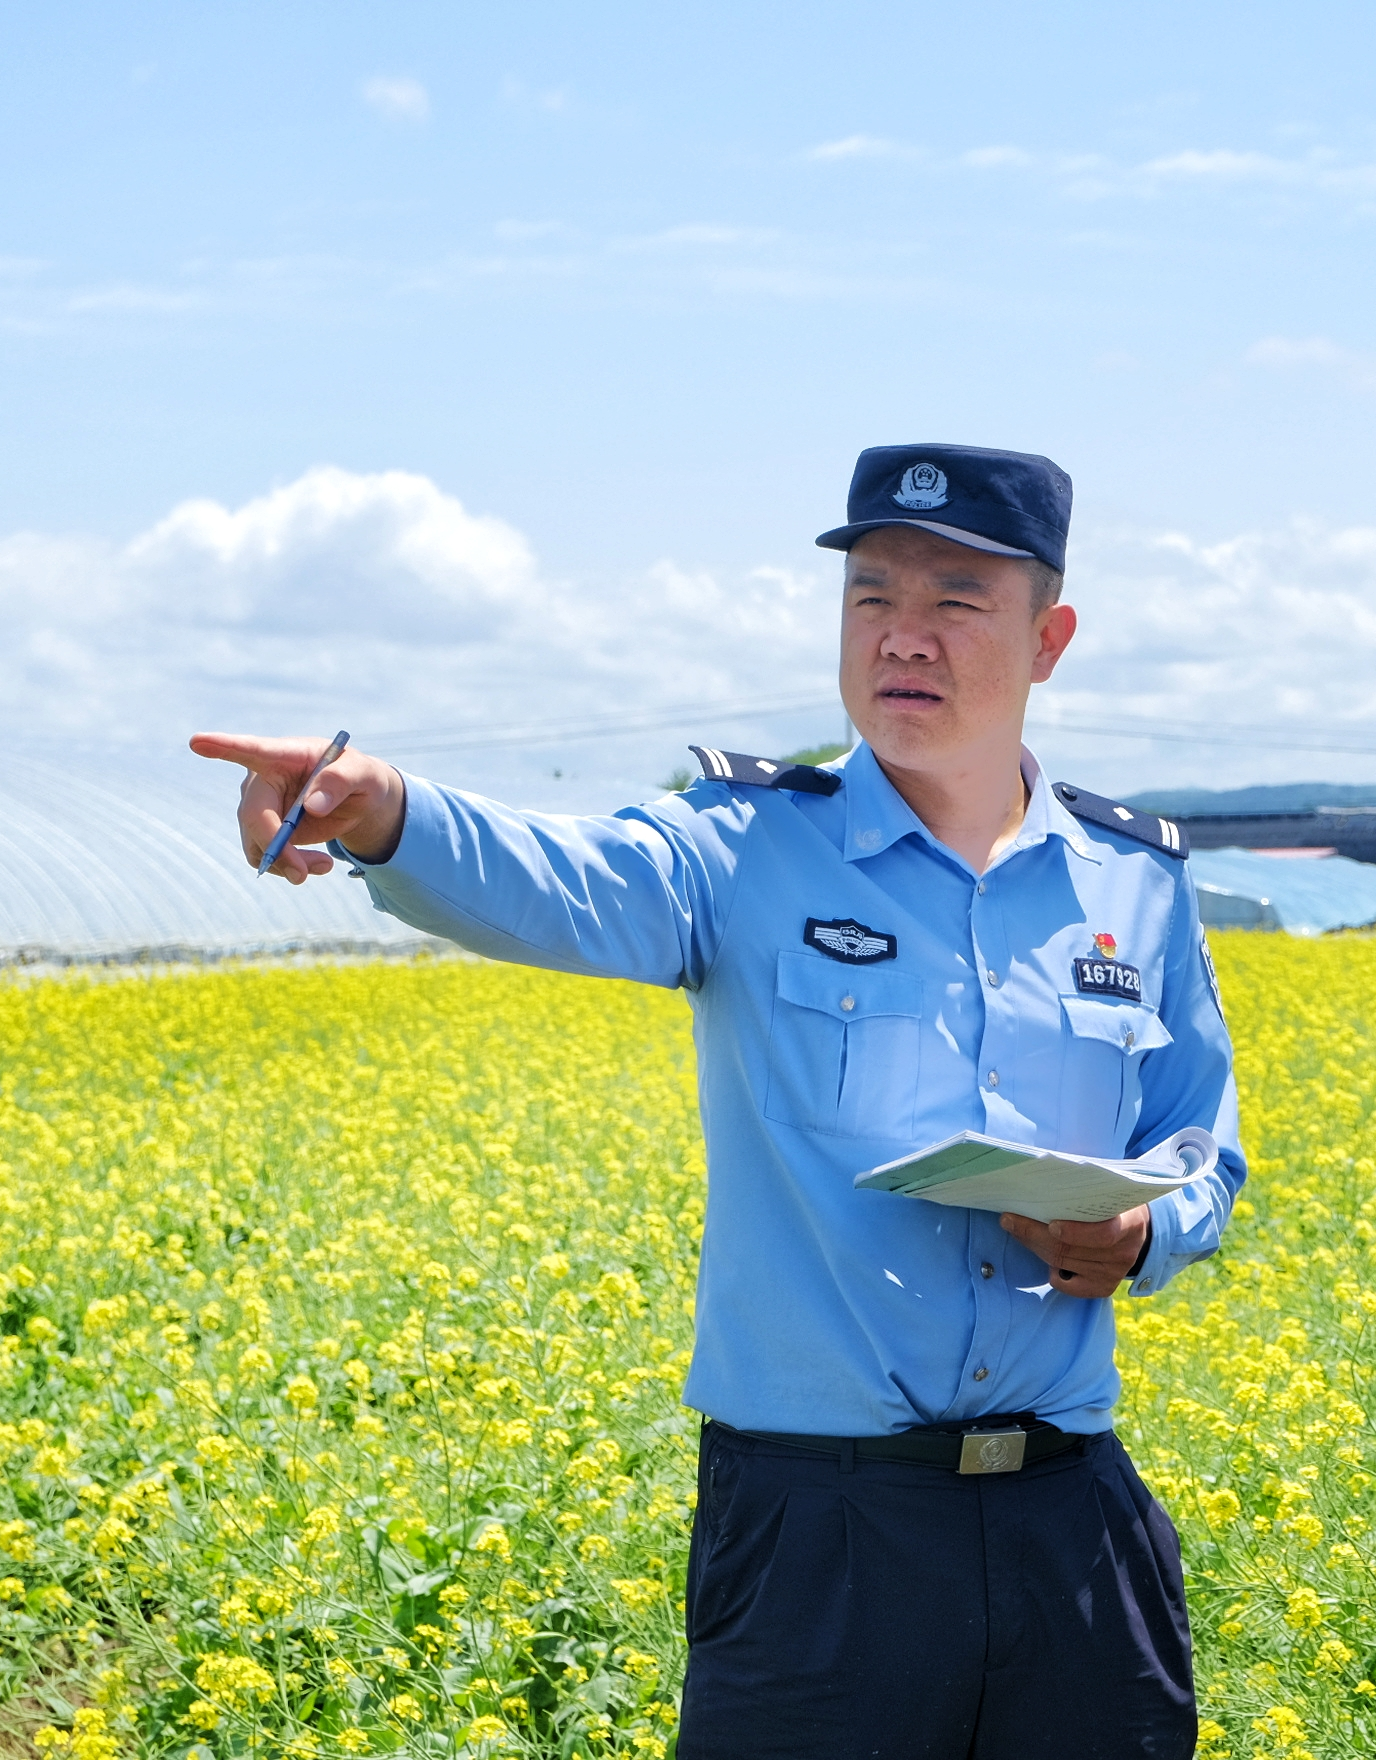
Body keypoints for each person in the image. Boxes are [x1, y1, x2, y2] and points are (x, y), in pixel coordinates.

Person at [193, 444, 1241, 1758]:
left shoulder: (1133, 883)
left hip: (1071, 1528)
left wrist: (1148, 1233)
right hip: (823, 1533)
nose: (902, 638)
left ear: (1050, 637)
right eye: (870, 599)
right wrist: (386, 811)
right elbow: (562, 877)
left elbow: (1202, 1143)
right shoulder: (743, 845)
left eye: (955, 603)